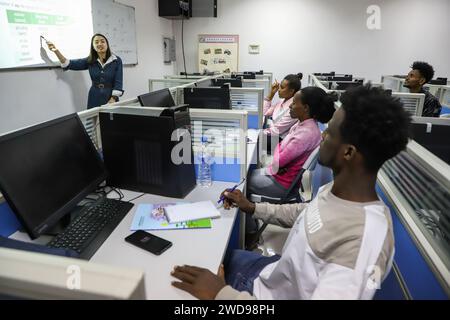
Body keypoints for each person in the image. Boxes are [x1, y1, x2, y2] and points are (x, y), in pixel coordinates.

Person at [170, 84, 411, 300]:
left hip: (262, 290)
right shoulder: (339, 192)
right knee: (212, 258)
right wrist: (251, 207)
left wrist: (221, 294)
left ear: (348, 152)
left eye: (330, 132)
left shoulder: (363, 243)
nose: (322, 135)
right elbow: (305, 213)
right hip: (274, 272)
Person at [247, 87, 336, 200]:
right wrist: (279, 157)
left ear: (305, 108)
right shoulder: (302, 125)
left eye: (294, 103)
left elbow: (278, 161)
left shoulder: (306, 133)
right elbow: (279, 154)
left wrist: (278, 159)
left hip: (280, 183)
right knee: (247, 175)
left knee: (243, 182)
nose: (290, 106)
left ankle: (249, 214)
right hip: (278, 175)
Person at [46, 34, 124, 109]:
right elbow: (69, 64)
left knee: (110, 121)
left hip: (110, 97)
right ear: (93, 46)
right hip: (94, 97)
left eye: (102, 41)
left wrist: (112, 99)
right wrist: (56, 51)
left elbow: (118, 82)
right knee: (93, 121)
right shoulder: (90, 60)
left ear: (107, 44)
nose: (100, 44)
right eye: (96, 42)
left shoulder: (116, 60)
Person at [263, 73, 303, 138]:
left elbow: (276, 131)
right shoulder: (282, 101)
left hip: (279, 140)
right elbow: (265, 113)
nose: (278, 90)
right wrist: (271, 94)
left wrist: (259, 133)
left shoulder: (293, 109)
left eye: (282, 87)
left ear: (291, 91)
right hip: (271, 134)